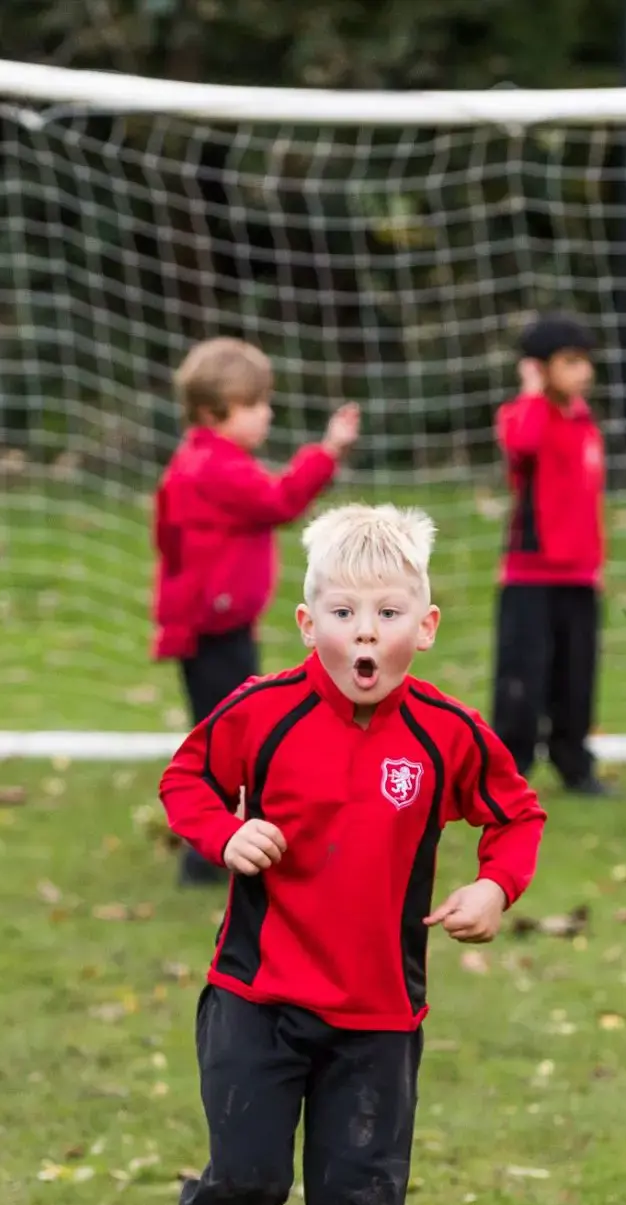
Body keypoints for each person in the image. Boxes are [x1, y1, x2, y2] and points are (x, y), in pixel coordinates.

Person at [158, 504, 544, 1205]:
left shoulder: (447, 733)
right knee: (238, 1185)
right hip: (254, 997)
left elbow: (515, 814)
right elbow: (188, 777)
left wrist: (495, 886)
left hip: (376, 1018)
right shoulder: (261, 712)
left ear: (426, 623)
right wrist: (222, 835)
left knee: (358, 1204)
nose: (363, 630)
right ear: (305, 623)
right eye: (342, 610)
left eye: (386, 610)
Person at [152, 337, 360, 884]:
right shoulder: (214, 467)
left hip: (212, 623)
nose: (265, 414)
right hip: (213, 627)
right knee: (228, 740)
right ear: (211, 413)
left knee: (230, 734)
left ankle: (225, 846)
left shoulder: (200, 461)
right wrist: (328, 451)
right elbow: (280, 501)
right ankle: (208, 854)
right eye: (253, 404)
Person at [491, 313, 608, 795]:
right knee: (522, 683)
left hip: (580, 579)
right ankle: (507, 774)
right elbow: (523, 442)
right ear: (539, 369)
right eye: (570, 362)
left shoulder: (584, 423)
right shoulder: (522, 415)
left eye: (585, 362)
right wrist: (533, 392)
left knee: (576, 679)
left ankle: (574, 764)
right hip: (529, 579)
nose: (583, 372)